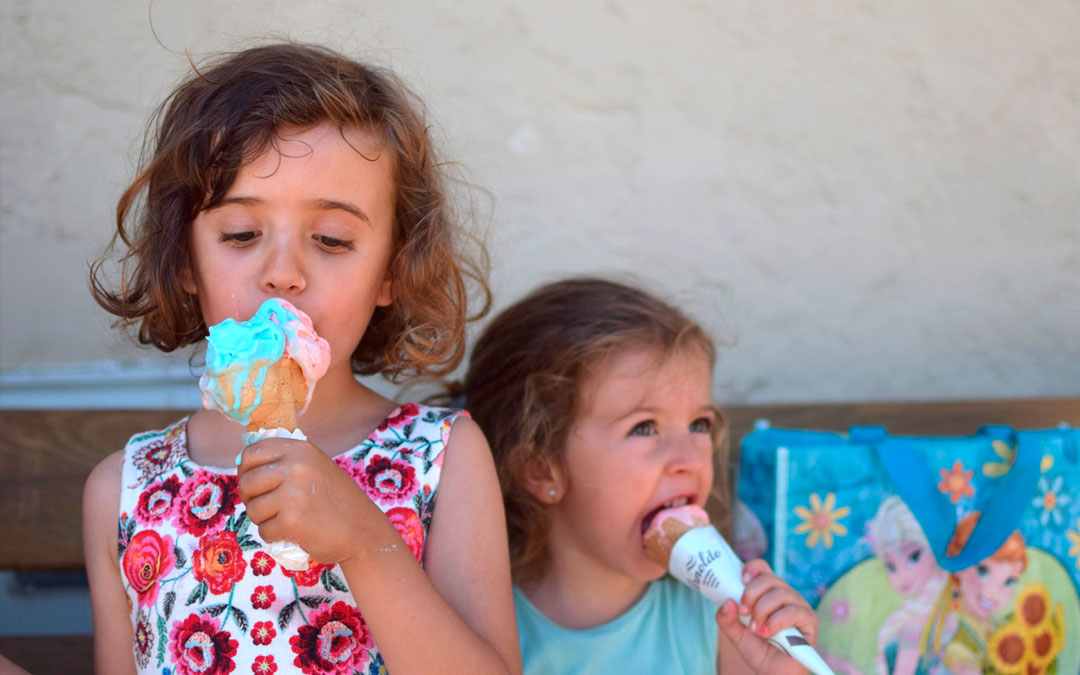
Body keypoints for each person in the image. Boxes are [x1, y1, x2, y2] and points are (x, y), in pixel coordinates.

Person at [83, 42, 519, 675]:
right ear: (184, 261)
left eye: (332, 240)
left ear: (392, 271)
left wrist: (367, 545)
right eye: (240, 234)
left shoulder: (440, 460)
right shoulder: (124, 492)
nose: (283, 273)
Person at [456, 277, 819, 673]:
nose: (690, 458)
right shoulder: (480, 632)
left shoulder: (723, 620)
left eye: (699, 424)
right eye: (644, 428)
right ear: (542, 469)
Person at [868, 497, 948, 675]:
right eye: (891, 566)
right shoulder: (905, 620)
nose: (902, 576)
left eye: (913, 557)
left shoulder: (949, 606)